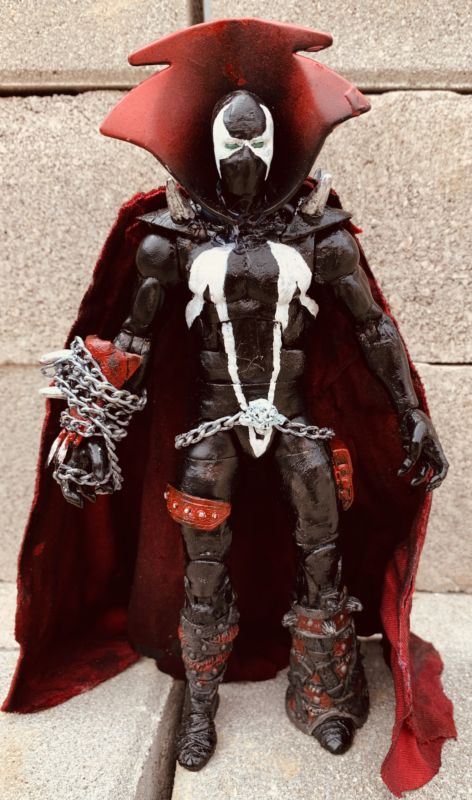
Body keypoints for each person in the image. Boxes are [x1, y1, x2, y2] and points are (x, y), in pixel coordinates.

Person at [3, 19, 454, 795]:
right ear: (204, 145)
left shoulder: (319, 231)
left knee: (322, 546)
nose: (243, 156)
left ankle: (322, 692)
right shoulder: (168, 237)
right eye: (230, 141)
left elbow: (373, 329)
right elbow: (133, 341)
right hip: (210, 424)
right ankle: (202, 701)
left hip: (296, 417)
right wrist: (91, 425)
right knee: (202, 564)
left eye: (256, 140)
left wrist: (410, 409)